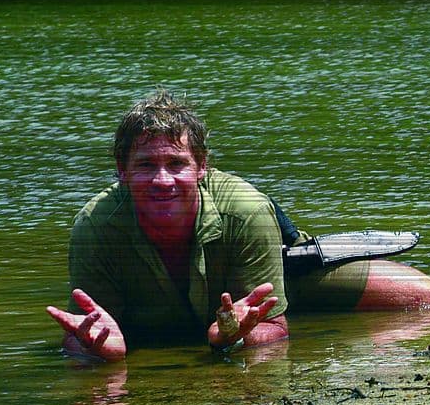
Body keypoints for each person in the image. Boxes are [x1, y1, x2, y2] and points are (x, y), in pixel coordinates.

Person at [46, 90, 290, 362]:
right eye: (146, 164)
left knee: (344, 291)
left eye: (176, 163)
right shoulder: (96, 226)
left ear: (201, 166)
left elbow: (275, 327)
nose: (162, 180)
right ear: (122, 170)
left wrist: (235, 337)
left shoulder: (246, 212)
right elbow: (82, 333)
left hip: (291, 267)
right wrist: (96, 351)